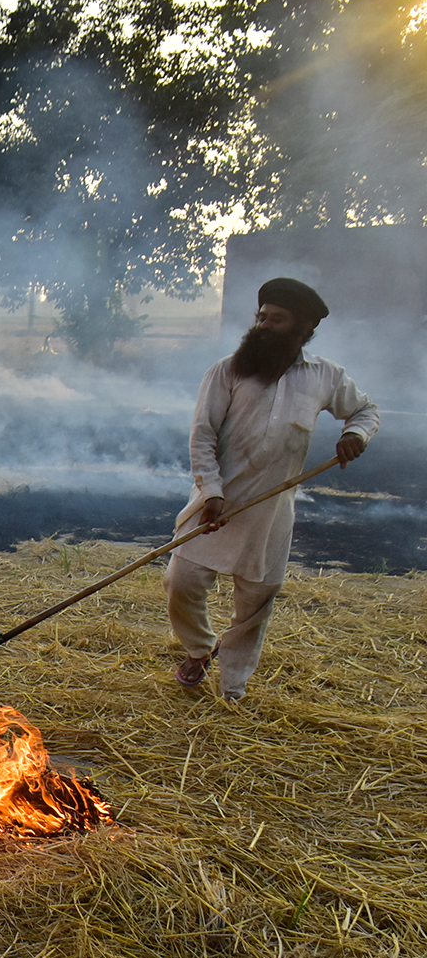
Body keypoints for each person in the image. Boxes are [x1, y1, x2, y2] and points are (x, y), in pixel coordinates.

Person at [166, 277, 380, 700]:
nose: (263, 325)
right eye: (261, 316)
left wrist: (356, 433)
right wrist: (210, 491)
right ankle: (199, 649)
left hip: (272, 510)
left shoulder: (324, 376)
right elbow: (202, 436)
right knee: (181, 581)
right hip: (217, 501)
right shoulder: (227, 370)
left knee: (256, 603)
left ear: (303, 329)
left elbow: (365, 409)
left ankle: (233, 690)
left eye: (276, 319)